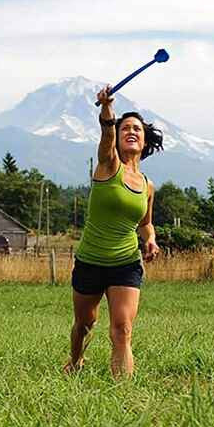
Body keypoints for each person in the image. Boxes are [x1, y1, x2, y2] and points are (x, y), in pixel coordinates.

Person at [65, 86, 163, 376]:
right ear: (117, 138)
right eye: (125, 128)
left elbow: (145, 223)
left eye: (137, 129)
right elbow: (106, 133)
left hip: (126, 263)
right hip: (91, 260)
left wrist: (151, 240)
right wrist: (107, 109)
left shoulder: (147, 185)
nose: (131, 131)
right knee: (85, 324)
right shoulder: (108, 165)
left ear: (145, 141)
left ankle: (123, 394)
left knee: (122, 329)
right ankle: (75, 362)